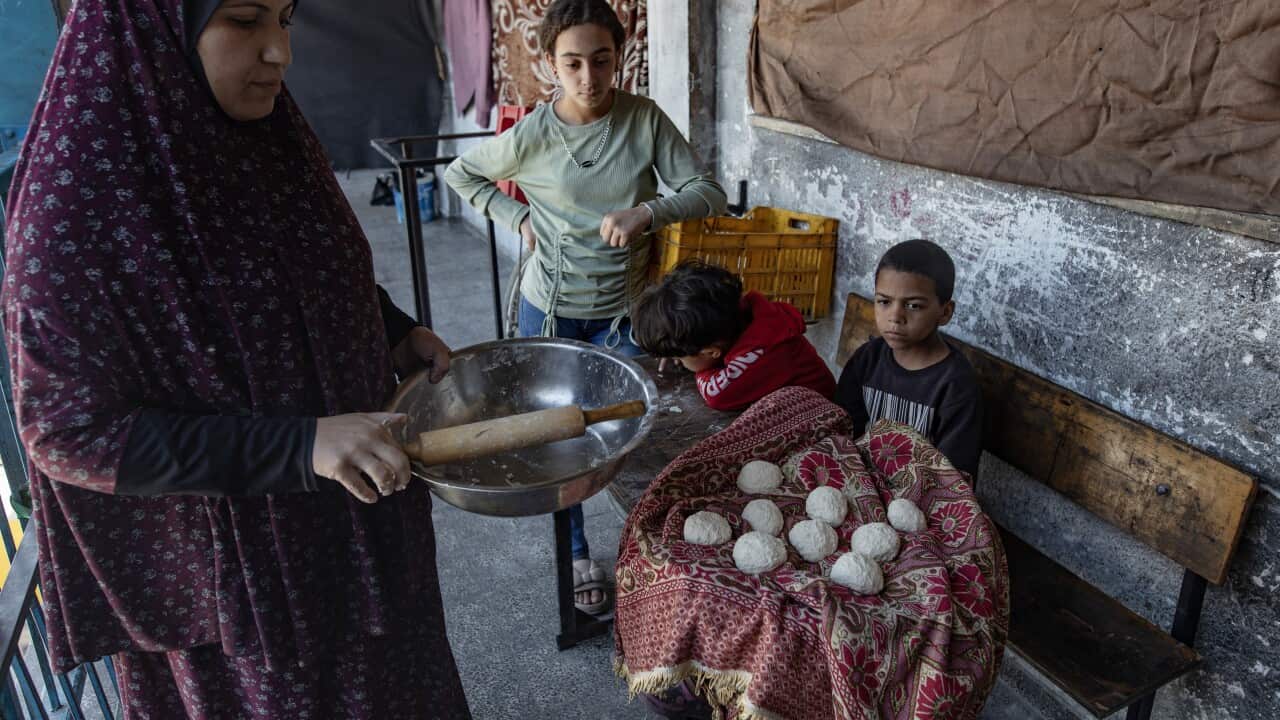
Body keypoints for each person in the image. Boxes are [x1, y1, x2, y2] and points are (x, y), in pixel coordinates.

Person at [1, 1, 471, 717]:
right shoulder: (77, 207)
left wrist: (390, 330)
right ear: (155, 25)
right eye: (246, 19)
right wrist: (300, 444)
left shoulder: (264, 134)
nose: (280, 51)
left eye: (285, 18)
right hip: (244, 598)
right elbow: (69, 434)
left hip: (357, 536)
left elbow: (302, 269)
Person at [444, 0, 727, 615]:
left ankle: (652, 552)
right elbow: (461, 174)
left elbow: (708, 191)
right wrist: (518, 216)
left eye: (602, 60)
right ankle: (576, 554)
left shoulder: (643, 120)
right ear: (550, 64)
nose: (589, 77)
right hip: (549, 313)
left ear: (618, 57)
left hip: (625, 313)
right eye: (572, 63)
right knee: (562, 446)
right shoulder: (533, 136)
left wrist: (647, 211)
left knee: (635, 432)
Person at [834, 239, 983, 477]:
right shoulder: (867, 359)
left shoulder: (955, 385)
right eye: (884, 301)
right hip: (861, 482)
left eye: (913, 306)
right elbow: (840, 431)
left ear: (945, 312)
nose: (895, 317)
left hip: (921, 500)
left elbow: (954, 479)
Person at [631, 260, 836, 410]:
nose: (678, 362)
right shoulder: (738, 317)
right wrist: (683, 348)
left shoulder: (760, 353)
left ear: (711, 352)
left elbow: (716, 395)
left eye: (679, 358)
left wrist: (696, 367)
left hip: (820, 423)